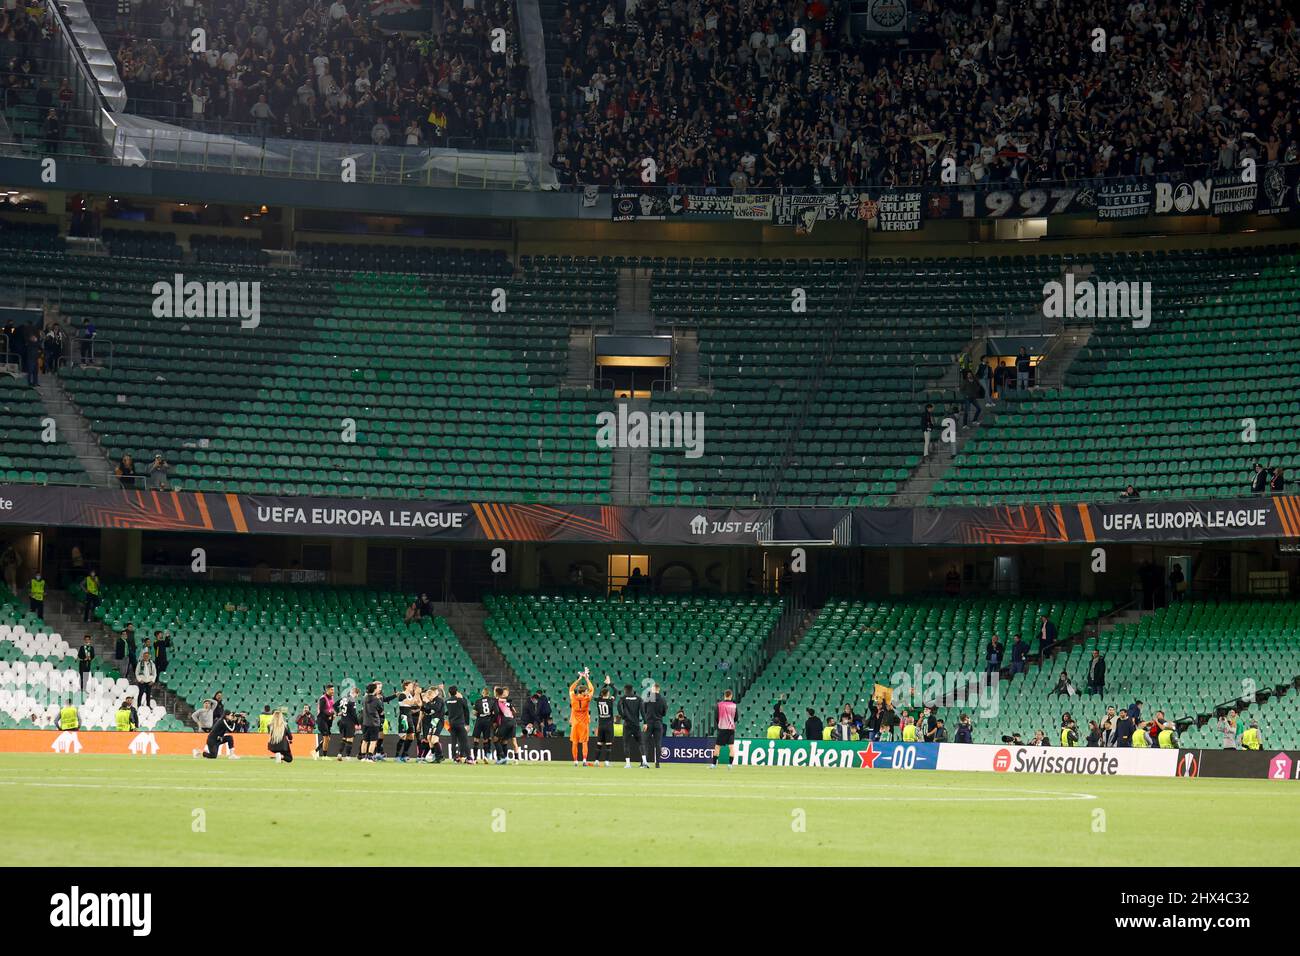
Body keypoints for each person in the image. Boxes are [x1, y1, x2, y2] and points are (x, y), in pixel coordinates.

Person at [642, 682, 667, 769]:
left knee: (646, 742)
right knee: (658, 743)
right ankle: (658, 763)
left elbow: (644, 710)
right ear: (658, 689)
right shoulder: (663, 699)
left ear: (653, 689)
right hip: (658, 723)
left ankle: (645, 762)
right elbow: (664, 713)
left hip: (649, 723)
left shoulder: (648, 698)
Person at [445, 686, 473, 763]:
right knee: (464, 741)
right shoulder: (460, 700)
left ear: (449, 693)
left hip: (452, 724)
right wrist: (462, 698)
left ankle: (455, 758)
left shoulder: (447, 701)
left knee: (453, 741)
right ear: (456, 692)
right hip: (460, 724)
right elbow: (466, 709)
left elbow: (450, 711)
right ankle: (469, 758)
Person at [593, 678, 617, 766]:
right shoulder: (610, 701)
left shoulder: (598, 700)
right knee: (608, 744)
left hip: (601, 725)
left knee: (599, 743)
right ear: (608, 694)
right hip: (609, 725)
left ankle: (596, 761)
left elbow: (600, 693)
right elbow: (616, 691)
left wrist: (605, 685)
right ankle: (606, 761)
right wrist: (610, 684)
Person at [619, 682, 644, 768]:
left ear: (625, 690)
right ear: (632, 690)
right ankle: (644, 762)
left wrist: (623, 716)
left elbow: (619, 707)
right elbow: (642, 711)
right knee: (640, 743)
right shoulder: (639, 698)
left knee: (626, 744)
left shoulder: (623, 698)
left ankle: (628, 763)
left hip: (627, 724)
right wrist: (645, 722)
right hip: (636, 724)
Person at [712, 689, 738, 768]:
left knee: (717, 747)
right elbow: (736, 718)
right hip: (731, 729)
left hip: (722, 728)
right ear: (731, 696)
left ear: (724, 695)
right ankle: (730, 765)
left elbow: (716, 717)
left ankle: (713, 765)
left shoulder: (719, 705)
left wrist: (720, 724)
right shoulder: (734, 705)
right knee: (731, 747)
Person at [335, 686, 360, 760]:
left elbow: (334, 705)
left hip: (342, 721)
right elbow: (354, 714)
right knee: (350, 739)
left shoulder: (344, 698)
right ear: (355, 693)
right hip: (349, 722)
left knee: (343, 738)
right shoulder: (352, 701)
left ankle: (339, 754)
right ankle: (348, 756)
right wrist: (357, 723)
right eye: (357, 694)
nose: (357, 696)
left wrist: (338, 712)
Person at [471, 687, 496, 761]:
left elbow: (474, 712)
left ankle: (475, 758)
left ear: (483, 693)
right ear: (489, 693)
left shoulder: (478, 701)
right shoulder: (492, 701)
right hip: (488, 721)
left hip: (479, 721)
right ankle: (486, 756)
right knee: (486, 739)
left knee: (476, 739)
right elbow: (495, 712)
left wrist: (478, 713)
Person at [314, 683, 335, 759]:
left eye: (333, 689)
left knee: (327, 738)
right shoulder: (323, 698)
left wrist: (333, 714)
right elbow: (322, 710)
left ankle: (314, 751)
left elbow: (331, 708)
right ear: (327, 690)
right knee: (326, 737)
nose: (333, 691)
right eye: (331, 690)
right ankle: (324, 756)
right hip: (322, 720)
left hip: (328, 720)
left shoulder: (332, 698)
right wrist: (330, 714)